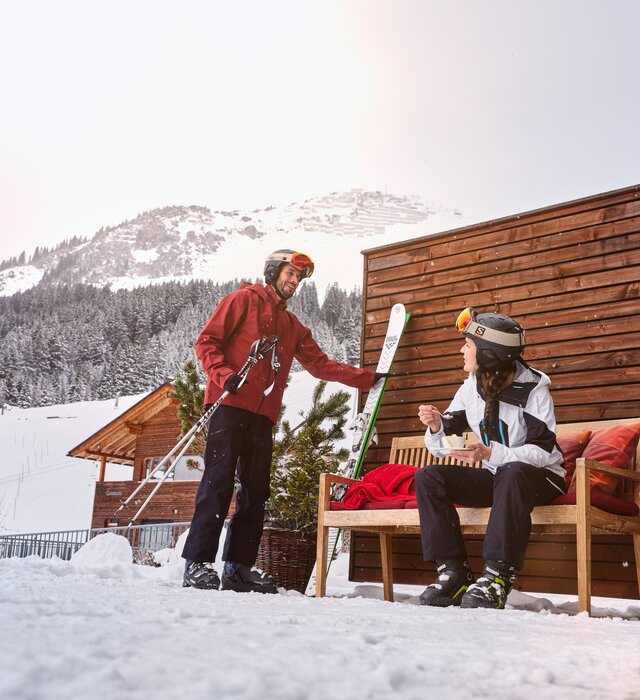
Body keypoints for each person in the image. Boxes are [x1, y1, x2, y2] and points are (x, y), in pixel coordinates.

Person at [182, 249, 382, 593]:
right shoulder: (242, 300)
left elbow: (321, 365)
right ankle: (197, 563)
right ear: (273, 271)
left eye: (298, 278)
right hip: (230, 403)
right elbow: (207, 342)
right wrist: (223, 375)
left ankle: (237, 568)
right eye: (290, 273)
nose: (294, 281)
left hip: (262, 415)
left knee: (256, 491)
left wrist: (367, 379)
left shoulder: (291, 326)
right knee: (218, 482)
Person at [415, 307, 566, 609]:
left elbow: (542, 450)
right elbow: (452, 430)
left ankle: (498, 576)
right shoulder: (472, 385)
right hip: (498, 475)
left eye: (468, 345)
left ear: (488, 352)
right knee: (429, 477)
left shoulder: (534, 388)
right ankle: (453, 572)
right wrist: (437, 426)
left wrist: (491, 452)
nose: (462, 350)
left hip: (541, 478)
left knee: (512, 471)